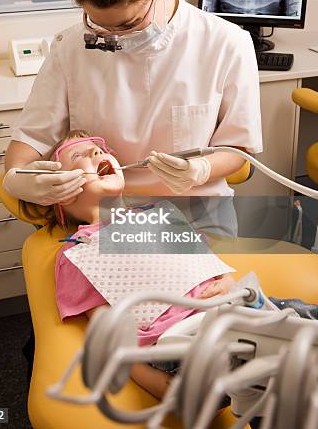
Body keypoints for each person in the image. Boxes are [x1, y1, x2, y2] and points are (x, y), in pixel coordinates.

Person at [3, 0, 263, 232]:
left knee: (202, 282)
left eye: (126, 25)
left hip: (196, 218)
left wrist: (201, 168)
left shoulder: (226, 43)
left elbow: (239, 147)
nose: (111, 37)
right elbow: (31, 138)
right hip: (104, 220)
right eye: (96, 24)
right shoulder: (70, 47)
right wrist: (16, 177)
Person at [31, 129, 236, 400]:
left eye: (100, 149)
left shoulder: (157, 215)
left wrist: (231, 283)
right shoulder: (78, 252)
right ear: (64, 193)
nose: (96, 152)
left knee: (299, 318)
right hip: (181, 343)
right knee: (256, 369)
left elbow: (210, 269)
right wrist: (151, 379)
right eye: (78, 155)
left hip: (227, 314)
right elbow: (108, 332)